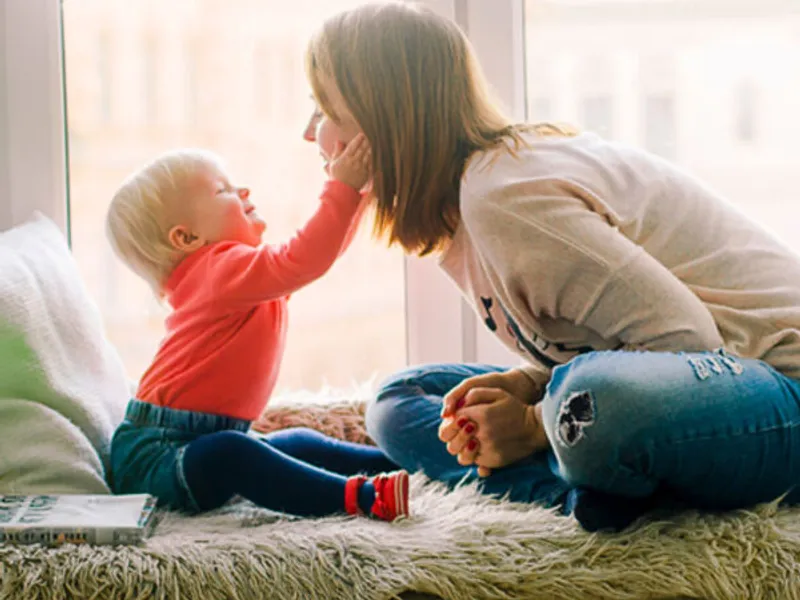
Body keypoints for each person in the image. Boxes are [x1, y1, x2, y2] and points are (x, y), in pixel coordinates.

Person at [302, 0, 800, 532]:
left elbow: (689, 342)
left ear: (387, 118)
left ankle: (583, 468)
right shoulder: (467, 208)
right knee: (398, 402)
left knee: (596, 407)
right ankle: (586, 492)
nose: (312, 135)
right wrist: (528, 383)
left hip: (772, 384)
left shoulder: (505, 198)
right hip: (690, 384)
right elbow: (614, 346)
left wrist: (534, 422)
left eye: (326, 111)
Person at [105, 134, 409, 522]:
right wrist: (344, 188)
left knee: (296, 442)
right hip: (156, 456)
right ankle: (359, 497)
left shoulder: (236, 278)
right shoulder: (218, 270)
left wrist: (360, 194)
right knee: (235, 454)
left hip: (197, 440)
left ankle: (397, 463)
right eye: (223, 190)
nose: (243, 189)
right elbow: (304, 258)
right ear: (187, 238)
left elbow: (316, 257)